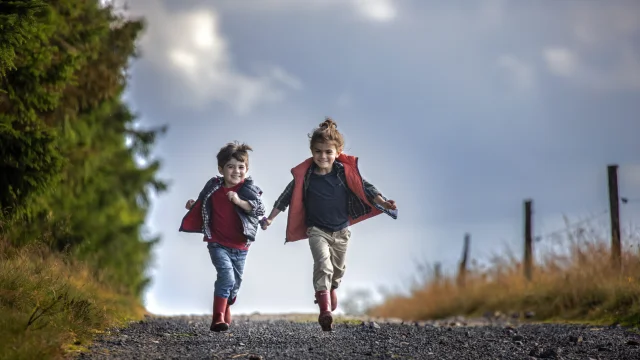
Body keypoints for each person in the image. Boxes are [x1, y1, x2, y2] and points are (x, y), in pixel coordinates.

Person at [260, 118, 398, 331]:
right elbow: (286, 197)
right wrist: (270, 217)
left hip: (341, 231)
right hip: (317, 231)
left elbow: (366, 187)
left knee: (338, 270)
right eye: (317, 152)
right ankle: (325, 312)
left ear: (338, 151)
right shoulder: (305, 177)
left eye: (328, 152)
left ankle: (332, 288)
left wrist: (383, 202)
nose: (322, 156)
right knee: (323, 265)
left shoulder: (343, 172)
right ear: (311, 151)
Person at [179, 141, 265, 332]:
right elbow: (204, 202)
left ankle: (227, 303)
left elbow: (259, 209)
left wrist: (239, 201)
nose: (236, 171)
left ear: (247, 169)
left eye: (241, 167)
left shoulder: (248, 189)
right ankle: (217, 318)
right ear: (221, 169)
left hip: (241, 246)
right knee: (226, 276)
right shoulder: (214, 186)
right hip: (217, 243)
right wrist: (194, 205)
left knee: (234, 286)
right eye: (230, 167)